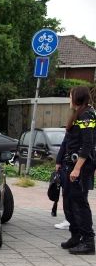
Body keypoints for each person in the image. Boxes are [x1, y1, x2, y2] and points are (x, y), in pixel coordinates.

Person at [59, 86, 96, 254]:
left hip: (80, 167)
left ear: (77, 97)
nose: (69, 98)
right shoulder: (77, 113)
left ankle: (88, 241)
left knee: (79, 203)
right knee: (68, 201)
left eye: (70, 95)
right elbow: (69, 140)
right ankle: (75, 236)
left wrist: (77, 168)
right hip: (69, 165)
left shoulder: (87, 114)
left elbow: (88, 144)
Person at [54, 137, 70, 230]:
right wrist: (58, 161)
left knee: (71, 195)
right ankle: (69, 219)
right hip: (67, 166)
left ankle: (70, 220)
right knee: (67, 194)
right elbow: (64, 145)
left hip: (71, 166)